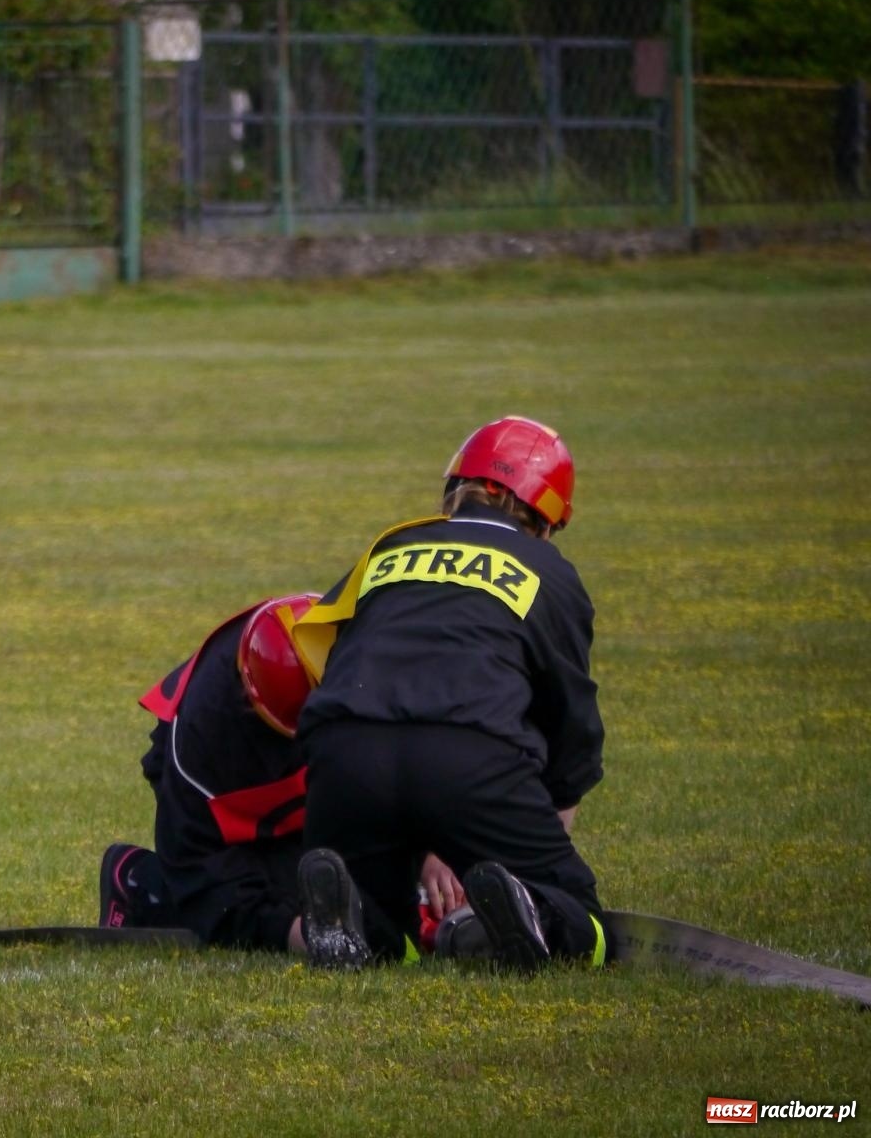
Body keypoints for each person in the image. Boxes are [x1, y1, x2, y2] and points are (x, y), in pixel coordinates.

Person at [290, 416, 609, 972]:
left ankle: (361, 923)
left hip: (347, 749)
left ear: (459, 484)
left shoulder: (391, 545)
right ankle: (531, 907)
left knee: (385, 925)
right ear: (549, 514)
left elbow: (326, 647)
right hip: (468, 756)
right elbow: (571, 723)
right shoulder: (549, 573)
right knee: (585, 921)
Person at [98, 594, 465, 955]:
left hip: (323, 767)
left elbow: (412, 756)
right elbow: (204, 871)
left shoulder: (363, 651)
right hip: (237, 794)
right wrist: (297, 934)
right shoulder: (200, 747)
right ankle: (141, 883)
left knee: (369, 871)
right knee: (280, 896)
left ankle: (459, 921)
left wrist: (434, 846)